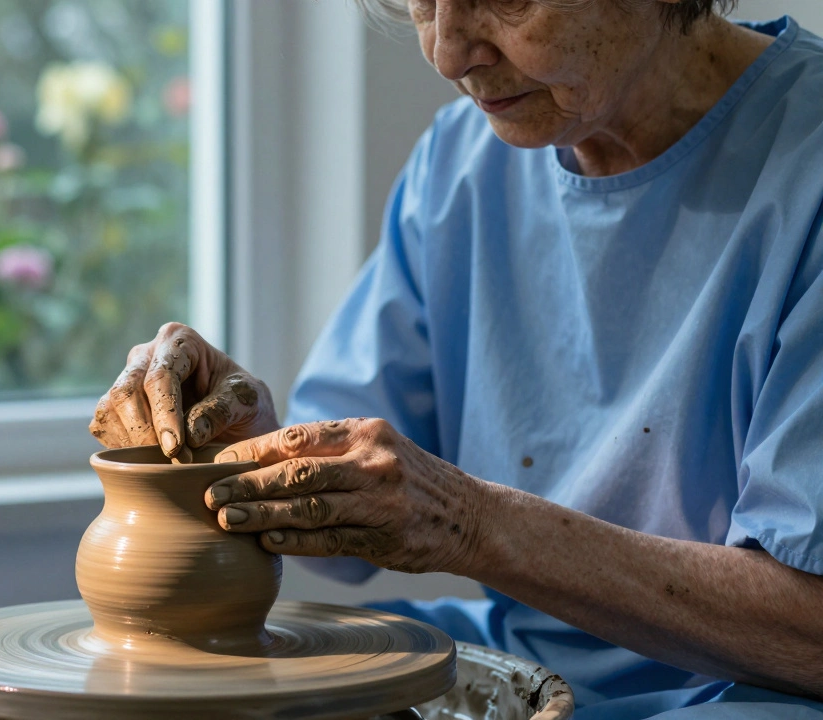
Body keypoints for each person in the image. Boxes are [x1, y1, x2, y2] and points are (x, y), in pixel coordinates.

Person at [89, 0, 823, 717]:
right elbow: (342, 528)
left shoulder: (806, 167)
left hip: (743, 688)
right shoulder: (462, 163)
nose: (447, 52)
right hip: (529, 661)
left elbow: (810, 632)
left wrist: (474, 525)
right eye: (420, 0)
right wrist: (243, 445)